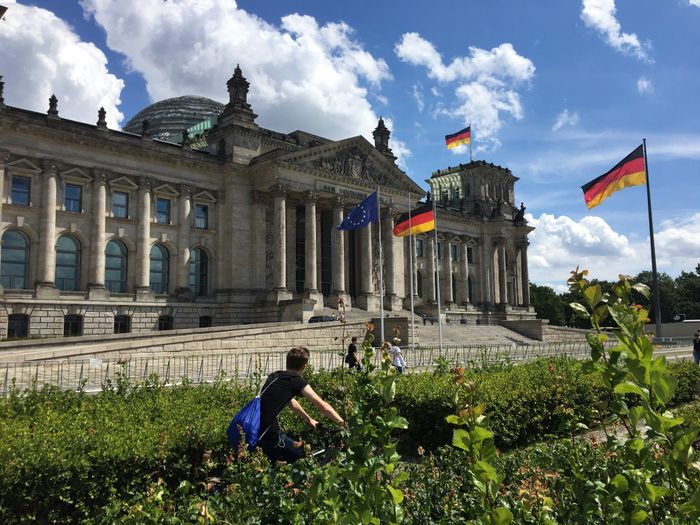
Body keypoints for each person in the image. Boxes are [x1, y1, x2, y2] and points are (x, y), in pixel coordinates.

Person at [259, 347, 345, 463]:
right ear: (304, 366)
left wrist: (309, 419)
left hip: (257, 430)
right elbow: (322, 406)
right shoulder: (295, 381)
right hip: (270, 435)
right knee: (304, 458)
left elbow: (290, 401)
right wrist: (343, 424)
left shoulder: (275, 376)